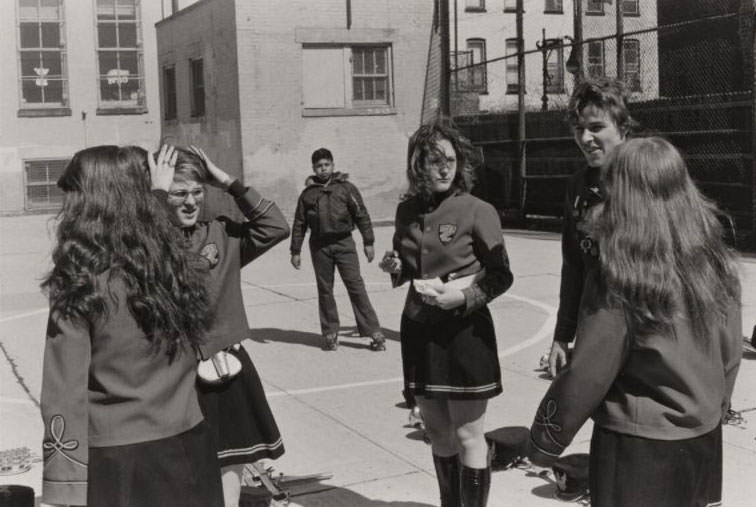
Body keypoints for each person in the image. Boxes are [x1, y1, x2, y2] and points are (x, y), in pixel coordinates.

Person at [528, 137, 743, 507]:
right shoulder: (715, 262)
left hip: (637, 446)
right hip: (701, 437)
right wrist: (716, 406)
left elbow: (589, 371)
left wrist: (544, 440)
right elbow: (730, 352)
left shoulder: (620, 272)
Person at [40, 145, 223, 507]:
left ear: (89, 205)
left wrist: (64, 486)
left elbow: (65, 393)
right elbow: (151, 232)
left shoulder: (80, 283)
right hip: (188, 446)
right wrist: (152, 196)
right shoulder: (176, 266)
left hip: (118, 462)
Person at [380, 122, 514, 507]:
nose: (444, 169)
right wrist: (397, 268)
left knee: (469, 434)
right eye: (435, 161)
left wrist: (466, 297)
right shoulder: (406, 211)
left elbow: (502, 275)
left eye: (451, 161)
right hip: (420, 330)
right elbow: (409, 265)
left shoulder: (477, 210)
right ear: (418, 164)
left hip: (464, 333)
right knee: (438, 432)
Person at [152, 144, 290, 507]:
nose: (190, 202)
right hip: (174, 378)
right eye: (178, 193)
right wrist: (151, 197)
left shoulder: (222, 235)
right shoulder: (149, 246)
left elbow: (276, 226)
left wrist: (229, 183)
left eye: (197, 192)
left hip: (225, 372)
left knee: (230, 470)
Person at [547, 77, 638, 378]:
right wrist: (563, 334)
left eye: (596, 128)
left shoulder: (647, 177)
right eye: (579, 129)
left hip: (645, 327)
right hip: (596, 325)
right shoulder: (577, 186)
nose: (585, 138)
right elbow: (573, 264)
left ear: (623, 127)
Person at [290, 147, 386, 351]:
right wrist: (295, 251)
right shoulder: (308, 194)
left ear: (333, 165)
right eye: (319, 166)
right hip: (319, 246)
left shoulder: (346, 188)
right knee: (325, 290)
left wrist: (368, 242)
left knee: (356, 286)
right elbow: (299, 223)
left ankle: (373, 331)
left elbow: (361, 214)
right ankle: (330, 333)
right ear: (313, 168)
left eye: (326, 165)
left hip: (344, 243)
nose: (323, 169)